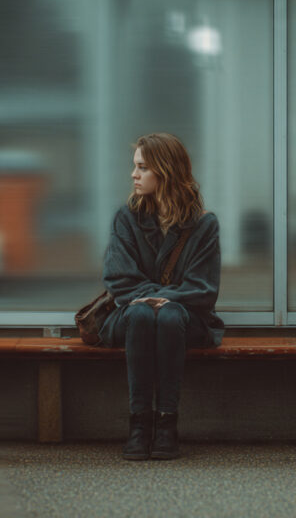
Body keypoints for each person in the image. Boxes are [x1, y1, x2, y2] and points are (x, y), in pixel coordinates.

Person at [100, 132, 224, 461]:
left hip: (183, 319)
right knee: (143, 314)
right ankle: (140, 425)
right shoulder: (125, 218)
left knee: (168, 315)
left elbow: (204, 288)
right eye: (134, 167)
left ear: (165, 172)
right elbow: (119, 279)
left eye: (142, 167)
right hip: (132, 316)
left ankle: (167, 424)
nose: (133, 175)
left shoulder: (203, 225)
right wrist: (160, 297)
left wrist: (162, 300)